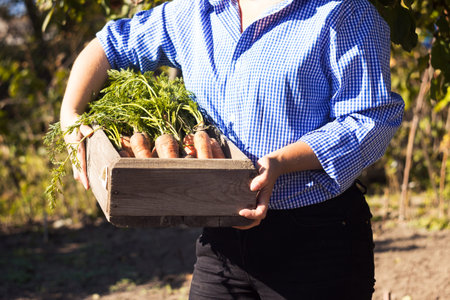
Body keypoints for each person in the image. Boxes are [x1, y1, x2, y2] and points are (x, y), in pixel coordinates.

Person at [60, 0, 404, 299]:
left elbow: (370, 120)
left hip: (316, 236)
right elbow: (110, 45)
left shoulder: (344, 13)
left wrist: (281, 163)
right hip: (221, 234)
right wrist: (69, 116)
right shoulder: (197, 11)